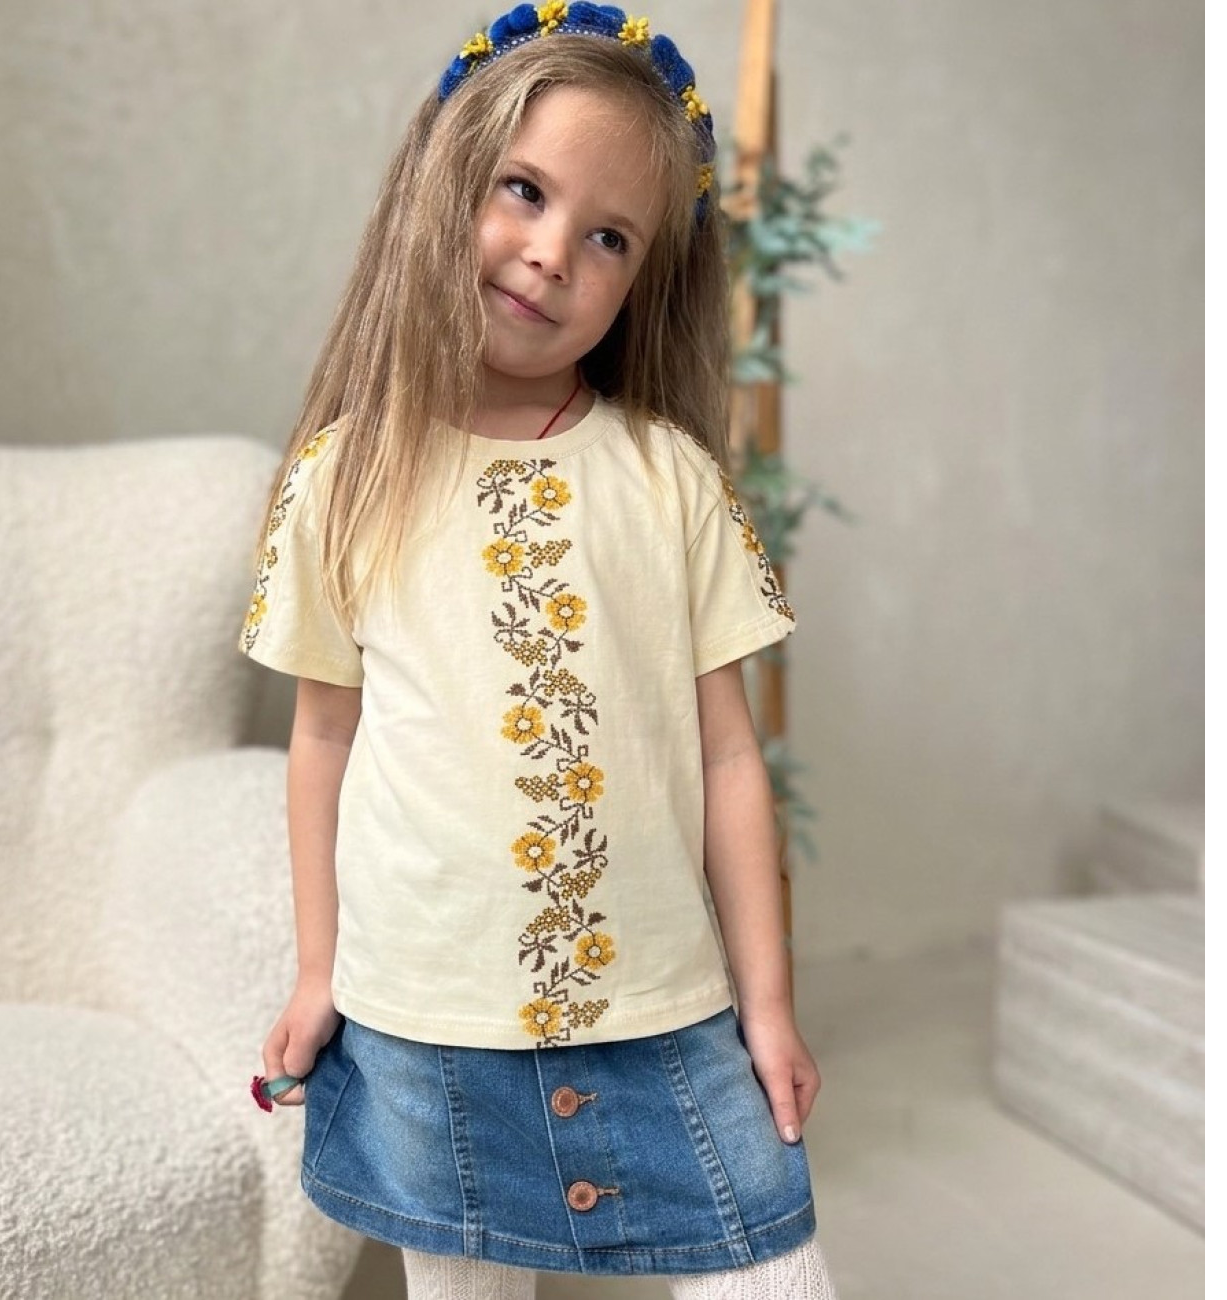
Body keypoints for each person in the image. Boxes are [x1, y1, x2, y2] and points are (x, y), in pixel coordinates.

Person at [241, 5, 838, 1297]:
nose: (552, 252)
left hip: (664, 1009)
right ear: (446, 182)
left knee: (777, 1274)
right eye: (524, 190)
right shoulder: (343, 478)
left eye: (610, 235)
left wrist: (769, 1006)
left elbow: (730, 760)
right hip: (424, 1020)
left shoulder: (670, 479)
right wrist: (317, 972)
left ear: (643, 279)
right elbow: (324, 739)